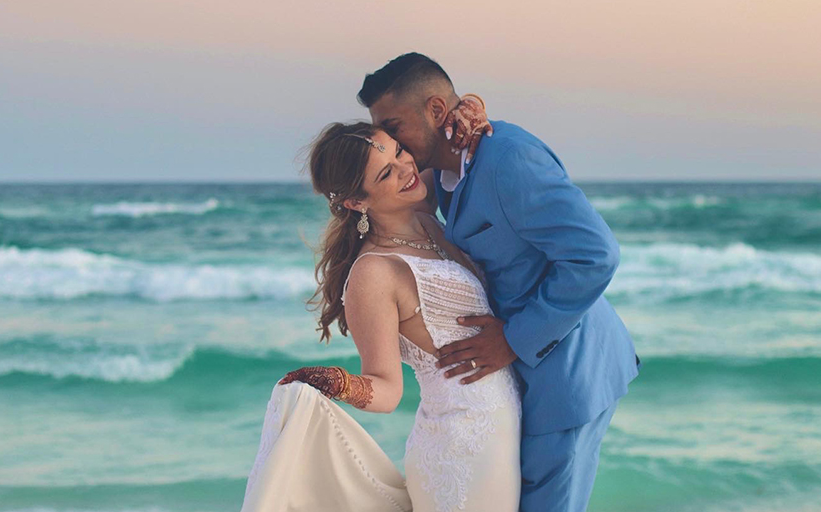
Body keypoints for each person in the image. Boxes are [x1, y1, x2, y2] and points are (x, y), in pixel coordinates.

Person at [358, 52, 641, 512]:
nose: (391, 143)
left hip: (567, 378)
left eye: (394, 127)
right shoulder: (447, 169)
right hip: (520, 392)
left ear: (434, 111)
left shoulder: (510, 160)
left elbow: (595, 255)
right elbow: (380, 188)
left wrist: (514, 339)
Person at [241, 109, 524, 511]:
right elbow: (388, 390)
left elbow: (435, 141)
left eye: (398, 153)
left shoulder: (421, 210)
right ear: (357, 201)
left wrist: (469, 108)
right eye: (385, 174)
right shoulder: (374, 272)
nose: (405, 169)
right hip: (462, 451)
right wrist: (336, 381)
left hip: (499, 438)